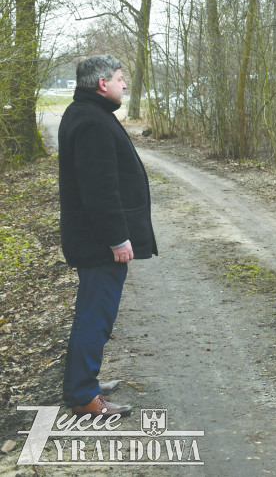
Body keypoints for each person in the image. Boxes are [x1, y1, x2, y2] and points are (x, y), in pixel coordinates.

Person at [59, 55, 156, 418]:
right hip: (99, 242)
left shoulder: (87, 113)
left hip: (93, 239)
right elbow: (99, 189)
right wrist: (118, 238)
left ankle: (81, 382)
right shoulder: (91, 120)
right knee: (95, 317)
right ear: (102, 83)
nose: (124, 84)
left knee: (91, 314)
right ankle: (84, 395)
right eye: (119, 78)